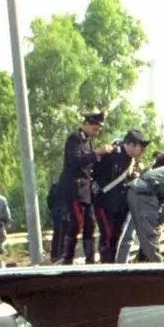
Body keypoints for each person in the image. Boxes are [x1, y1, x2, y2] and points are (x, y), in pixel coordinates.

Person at [54, 111, 108, 264]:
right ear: (87, 124)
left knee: (90, 224)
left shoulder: (88, 141)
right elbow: (75, 160)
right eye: (95, 128)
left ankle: (90, 259)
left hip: (86, 190)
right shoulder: (75, 139)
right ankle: (68, 258)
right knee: (77, 223)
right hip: (74, 189)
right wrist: (97, 153)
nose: (97, 132)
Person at [91, 129, 148, 263]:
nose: (142, 151)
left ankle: (111, 265)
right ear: (132, 144)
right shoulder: (112, 154)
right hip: (105, 203)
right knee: (107, 235)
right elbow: (95, 173)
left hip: (121, 206)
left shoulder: (131, 161)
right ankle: (106, 265)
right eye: (141, 147)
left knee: (116, 236)